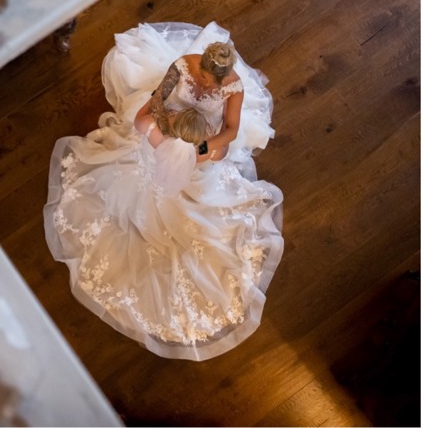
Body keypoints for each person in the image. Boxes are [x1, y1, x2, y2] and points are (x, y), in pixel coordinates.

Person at [43, 21, 283, 361]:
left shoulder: (233, 87)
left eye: (211, 81)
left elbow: (230, 130)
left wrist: (199, 149)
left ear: (223, 76)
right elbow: (156, 102)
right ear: (201, 65)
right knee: (149, 151)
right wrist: (169, 134)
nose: (203, 84)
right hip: (172, 125)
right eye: (202, 76)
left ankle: (185, 167)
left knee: (218, 157)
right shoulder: (183, 65)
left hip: (200, 136)